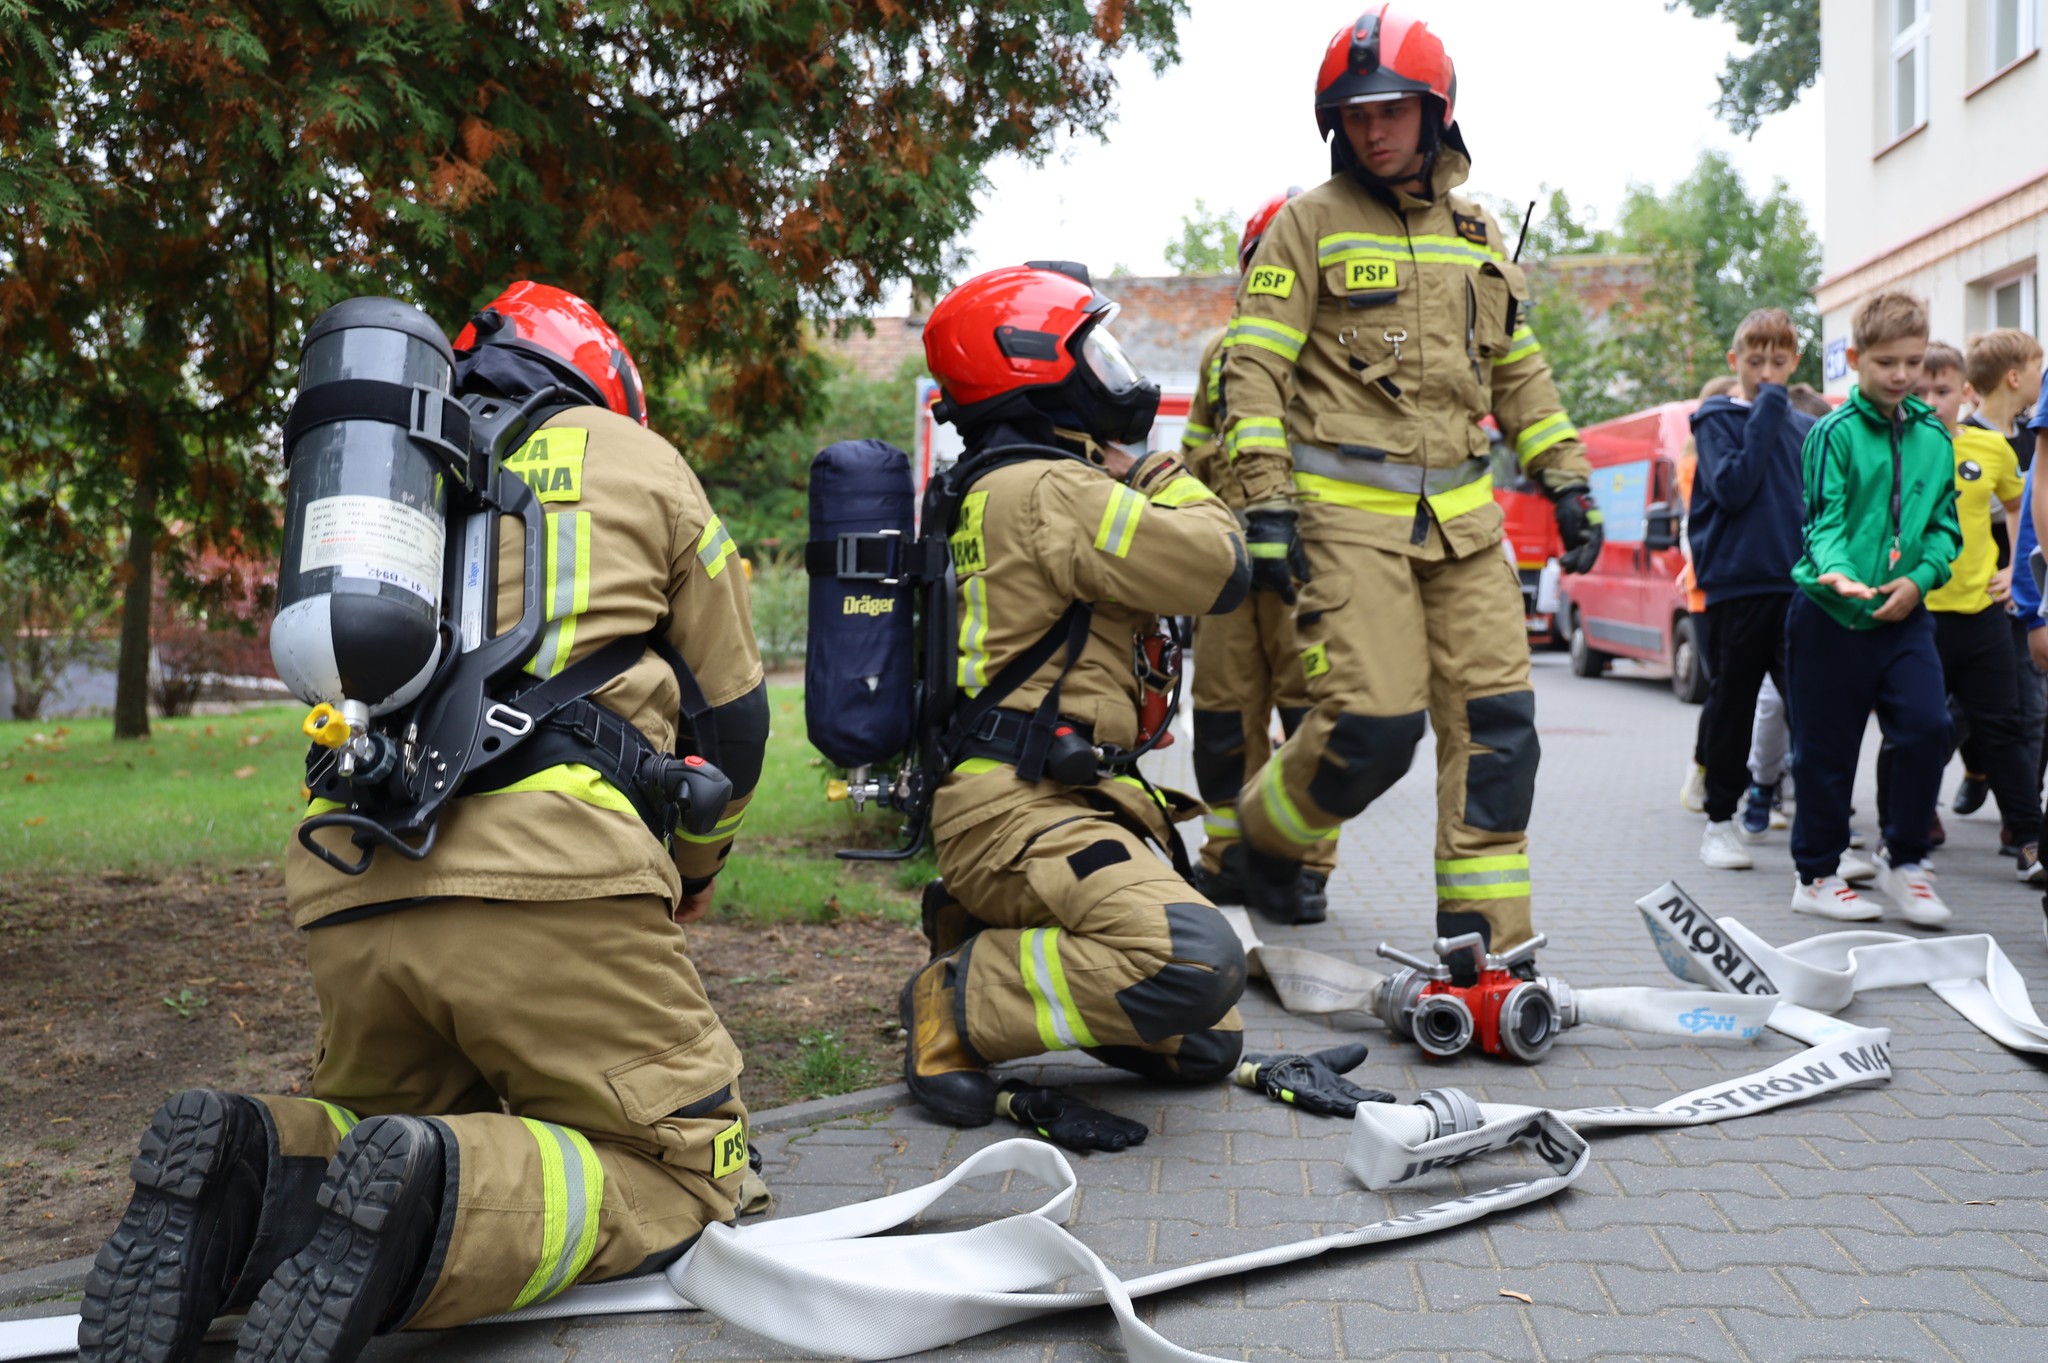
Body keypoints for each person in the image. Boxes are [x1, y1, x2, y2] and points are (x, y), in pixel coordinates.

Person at [80, 283, 771, 1363]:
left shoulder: (397, 474)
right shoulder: (638, 460)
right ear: (601, 372)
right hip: (556, 880)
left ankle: (243, 1166)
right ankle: (437, 1201)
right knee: (680, 1169)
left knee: (370, 1126)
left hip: (351, 881)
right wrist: (693, 865)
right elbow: (733, 725)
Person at [1217, 7, 1601, 956]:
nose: (1372, 129)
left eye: (1390, 109)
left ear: (1436, 113)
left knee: (1501, 727)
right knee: (1375, 730)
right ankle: (1266, 835)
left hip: (1466, 525)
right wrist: (1265, 500)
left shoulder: (1477, 229)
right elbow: (1252, 367)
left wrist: (1567, 478)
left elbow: (1516, 370)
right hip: (1344, 522)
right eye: (1354, 115)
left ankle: (1486, 941)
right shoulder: (1307, 224)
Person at [899, 262, 1255, 1132]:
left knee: (1208, 1041)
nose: (1115, 372)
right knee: (1194, 963)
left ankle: (975, 924)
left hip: (1051, 799)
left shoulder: (992, 485)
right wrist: (1160, 471)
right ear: (1032, 365)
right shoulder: (1054, 489)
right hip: (1025, 811)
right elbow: (1221, 564)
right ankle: (959, 989)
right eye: (1093, 349)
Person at [1183, 188, 1339, 920]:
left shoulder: (1337, 349)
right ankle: (1230, 857)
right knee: (1220, 717)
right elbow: (1189, 460)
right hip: (1227, 567)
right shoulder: (1222, 355)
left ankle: (1303, 866)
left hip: (1310, 564)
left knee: (1310, 719)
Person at [1783, 291, 1962, 926]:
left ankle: (1906, 860)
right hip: (1831, 616)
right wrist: (1837, 572)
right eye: (1887, 361)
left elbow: (1945, 528)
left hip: (1904, 613)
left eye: (1913, 361)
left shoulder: (1935, 436)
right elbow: (1823, 522)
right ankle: (1817, 875)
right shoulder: (1831, 434)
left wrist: (1919, 580)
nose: (1902, 375)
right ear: (1855, 359)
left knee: (1928, 728)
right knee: (1826, 754)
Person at [1876, 331, 2037, 872]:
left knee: (2005, 726)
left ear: (1965, 394)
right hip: (1915, 616)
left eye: (1940, 391)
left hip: (1980, 613)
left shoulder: (1990, 447)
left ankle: (2030, 840)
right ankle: (1897, 833)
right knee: (1911, 729)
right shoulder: (1889, 448)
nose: (1928, 402)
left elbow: (2020, 509)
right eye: (1917, 392)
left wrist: (2014, 570)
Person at [1686, 310, 1817, 873]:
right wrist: (1768, 403)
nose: (1767, 372)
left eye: (1779, 362)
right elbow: (1734, 487)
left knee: (1813, 710)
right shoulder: (1715, 418)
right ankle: (1719, 822)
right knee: (1733, 707)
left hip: (1798, 587)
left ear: (1795, 364)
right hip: (1738, 588)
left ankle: (1822, 828)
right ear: (1734, 362)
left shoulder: (1805, 428)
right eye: (1755, 361)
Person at [1679, 373, 1739, 816]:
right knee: (1723, 689)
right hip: (1708, 592)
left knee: (1730, 690)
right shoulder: (1696, 462)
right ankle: (1702, 770)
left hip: (1719, 587)